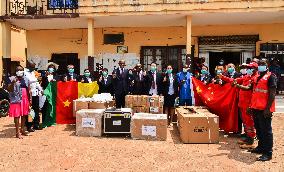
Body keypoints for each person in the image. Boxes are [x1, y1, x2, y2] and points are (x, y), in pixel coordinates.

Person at [235, 59, 276, 161]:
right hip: (255, 108)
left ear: (267, 65)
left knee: (266, 131)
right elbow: (252, 90)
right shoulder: (257, 77)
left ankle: (268, 153)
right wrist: (250, 106)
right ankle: (261, 147)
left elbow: (272, 94)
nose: (261, 66)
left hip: (264, 109)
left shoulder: (271, 77)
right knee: (259, 129)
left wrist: (267, 109)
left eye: (263, 64)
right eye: (260, 64)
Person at [224, 62, 258, 149]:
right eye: (247, 68)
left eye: (250, 68)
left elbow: (248, 88)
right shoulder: (246, 76)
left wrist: (237, 85)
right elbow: (235, 80)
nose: (248, 69)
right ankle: (247, 138)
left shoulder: (255, 78)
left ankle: (251, 141)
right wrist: (224, 78)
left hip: (248, 104)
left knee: (250, 122)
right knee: (245, 122)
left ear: (255, 69)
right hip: (242, 103)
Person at [7, 65, 30, 139]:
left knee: (24, 115)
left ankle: (22, 129)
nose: (19, 71)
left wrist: (30, 100)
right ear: (15, 71)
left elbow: (28, 89)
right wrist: (13, 82)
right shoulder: (11, 78)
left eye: (21, 70)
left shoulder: (26, 79)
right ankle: (17, 132)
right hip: (16, 99)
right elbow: (9, 89)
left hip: (25, 98)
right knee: (17, 115)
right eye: (17, 70)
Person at [24, 61, 43, 131]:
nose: (33, 69)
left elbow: (37, 83)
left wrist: (41, 89)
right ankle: (29, 125)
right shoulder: (24, 73)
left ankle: (36, 124)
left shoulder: (32, 72)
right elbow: (28, 82)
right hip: (29, 94)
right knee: (29, 111)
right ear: (28, 66)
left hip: (35, 93)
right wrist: (36, 80)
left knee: (36, 109)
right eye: (32, 67)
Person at [41, 62, 59, 127]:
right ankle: (44, 121)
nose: (51, 69)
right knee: (45, 107)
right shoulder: (44, 76)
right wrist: (45, 77)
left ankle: (52, 120)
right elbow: (42, 84)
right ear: (48, 68)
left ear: (54, 69)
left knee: (52, 107)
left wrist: (55, 81)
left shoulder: (56, 76)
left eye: (52, 68)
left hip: (53, 94)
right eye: (50, 67)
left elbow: (59, 83)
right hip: (46, 93)